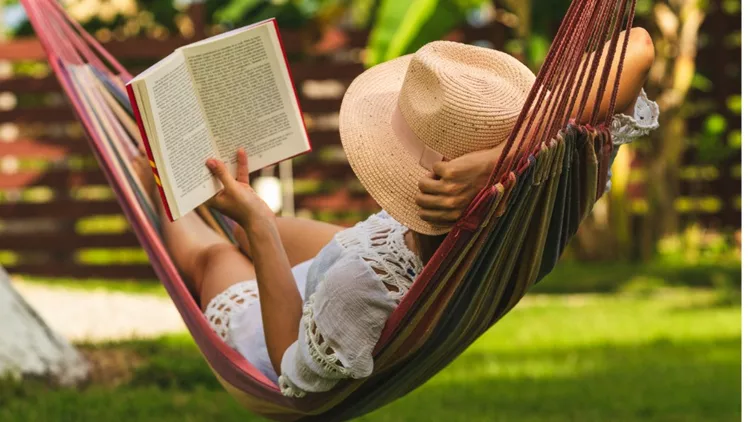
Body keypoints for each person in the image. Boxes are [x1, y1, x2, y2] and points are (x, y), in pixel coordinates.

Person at [133, 28, 659, 398]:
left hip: (292, 319)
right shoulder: (548, 186)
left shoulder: (360, 290)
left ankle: (150, 180)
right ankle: (223, 204)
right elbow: (638, 46)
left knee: (218, 254)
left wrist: (259, 227)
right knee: (242, 224)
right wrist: (506, 157)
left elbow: (293, 371)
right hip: (373, 247)